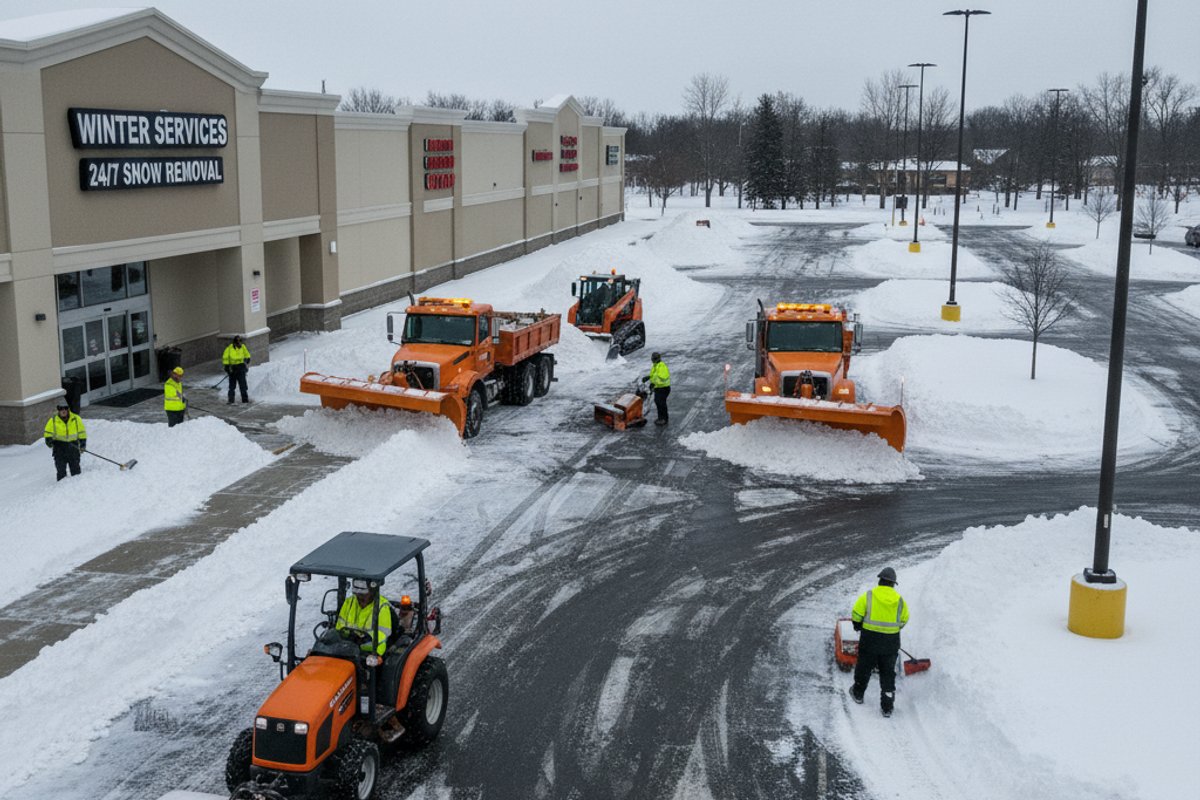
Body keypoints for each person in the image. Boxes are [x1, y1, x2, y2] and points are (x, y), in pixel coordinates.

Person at [849, 567, 910, 717]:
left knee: (864, 667)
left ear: (880, 580)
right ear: (893, 584)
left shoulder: (869, 596)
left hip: (869, 640)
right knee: (888, 673)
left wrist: (858, 625)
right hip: (890, 643)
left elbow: (856, 613)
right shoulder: (900, 601)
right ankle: (887, 707)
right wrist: (892, 629)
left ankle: (858, 693)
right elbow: (904, 619)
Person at [335, 579, 393, 656]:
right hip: (348, 648)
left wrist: (363, 640)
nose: (359, 596)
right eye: (357, 593)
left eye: (363, 594)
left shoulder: (382, 607)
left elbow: (382, 635)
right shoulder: (349, 602)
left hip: (371, 652)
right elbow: (339, 627)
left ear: (372, 592)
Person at [44, 400, 86, 481]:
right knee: (61, 471)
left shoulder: (76, 419)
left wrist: (82, 444)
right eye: (60, 408)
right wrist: (49, 441)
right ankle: (61, 489)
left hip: (73, 447)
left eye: (65, 408)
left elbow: (82, 432)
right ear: (58, 410)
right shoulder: (53, 420)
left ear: (68, 409)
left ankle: (78, 487)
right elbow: (47, 433)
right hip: (59, 448)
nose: (63, 410)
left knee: (76, 470)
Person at [222, 335, 251, 404]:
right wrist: (227, 367)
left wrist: (247, 359)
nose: (239, 344)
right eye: (237, 343)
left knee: (243, 386)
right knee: (232, 386)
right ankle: (231, 400)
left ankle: (245, 400)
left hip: (241, 368)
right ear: (234, 343)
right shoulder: (229, 349)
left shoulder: (243, 347)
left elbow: (247, 355)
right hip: (233, 369)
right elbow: (225, 358)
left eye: (240, 343)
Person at [644, 352, 671, 426]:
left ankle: (664, 419)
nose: (653, 360)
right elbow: (655, 376)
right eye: (652, 359)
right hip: (658, 388)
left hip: (664, 388)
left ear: (658, 359)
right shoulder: (655, 366)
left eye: (654, 359)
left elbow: (663, 379)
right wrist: (648, 377)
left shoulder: (662, 366)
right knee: (658, 402)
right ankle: (660, 418)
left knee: (661, 403)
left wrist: (654, 384)